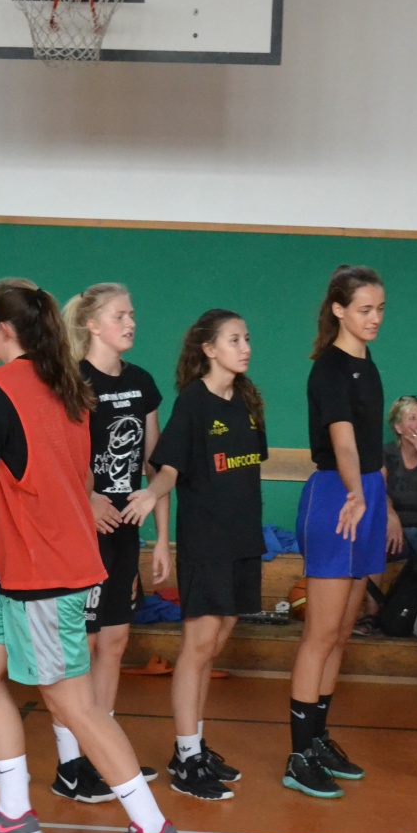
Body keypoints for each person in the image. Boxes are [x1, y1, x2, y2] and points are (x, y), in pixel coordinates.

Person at [0, 278, 184, 833]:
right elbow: (66, 476)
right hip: (33, 570)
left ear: (2, 330)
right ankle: (14, 810)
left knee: (75, 707)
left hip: (45, 573)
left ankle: (151, 827)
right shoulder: (63, 383)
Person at [125, 309, 265, 800]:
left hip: (244, 540)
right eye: (234, 340)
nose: (245, 348)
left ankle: (194, 746)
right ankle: (186, 759)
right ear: (208, 349)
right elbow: (168, 468)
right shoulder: (193, 402)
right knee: (199, 646)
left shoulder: (247, 401)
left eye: (246, 338)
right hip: (207, 541)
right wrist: (151, 495)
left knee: (217, 641)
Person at [60, 283, 170, 800]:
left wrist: (162, 537)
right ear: (92, 324)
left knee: (115, 642)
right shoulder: (73, 381)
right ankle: (70, 765)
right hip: (83, 533)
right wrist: (88, 500)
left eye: (132, 314)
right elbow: (59, 459)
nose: (131, 322)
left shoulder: (142, 382)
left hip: (126, 532)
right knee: (80, 645)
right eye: (120, 315)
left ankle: (102, 755)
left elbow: (154, 465)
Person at [283, 265, 386, 799]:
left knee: (342, 634)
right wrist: (356, 493)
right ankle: (298, 755)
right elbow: (343, 442)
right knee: (319, 635)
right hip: (337, 497)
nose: (375, 318)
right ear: (339, 310)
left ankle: (318, 738)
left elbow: (369, 444)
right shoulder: (329, 368)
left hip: (367, 494)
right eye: (365, 309)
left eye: (380, 309)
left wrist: (380, 501)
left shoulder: (368, 363)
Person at [355, 396, 417, 642]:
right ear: (398, 427)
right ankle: (371, 614)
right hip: (392, 535)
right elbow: (378, 493)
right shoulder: (385, 454)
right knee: (376, 516)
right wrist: (391, 516)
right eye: (412, 418)